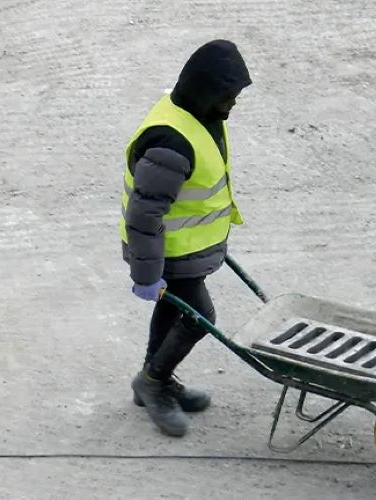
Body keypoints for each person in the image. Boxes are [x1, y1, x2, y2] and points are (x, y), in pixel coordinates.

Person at [119, 40, 252, 437]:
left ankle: (154, 379)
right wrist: (146, 274)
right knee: (199, 318)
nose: (233, 102)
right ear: (205, 90)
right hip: (166, 251)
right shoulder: (171, 142)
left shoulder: (198, 113)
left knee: (174, 310)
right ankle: (153, 381)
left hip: (185, 249)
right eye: (228, 94)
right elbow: (144, 215)